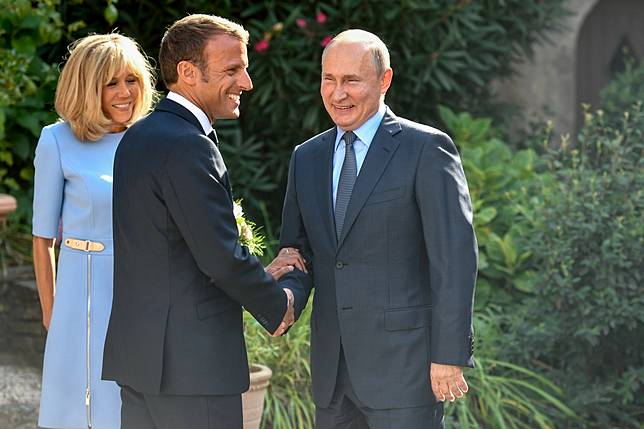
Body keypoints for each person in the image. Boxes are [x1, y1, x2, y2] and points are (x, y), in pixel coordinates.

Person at [102, 14, 306, 429]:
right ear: (188, 72)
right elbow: (218, 257)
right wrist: (276, 304)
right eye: (232, 70)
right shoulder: (189, 145)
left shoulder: (137, 137)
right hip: (193, 371)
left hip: (142, 361)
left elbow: (171, 251)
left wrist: (261, 273)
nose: (246, 82)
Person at [279, 29, 478, 428]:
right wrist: (284, 301)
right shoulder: (307, 157)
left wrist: (448, 354)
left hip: (405, 371)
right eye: (329, 80)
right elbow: (298, 253)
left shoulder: (426, 149)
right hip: (333, 374)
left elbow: (454, 259)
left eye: (351, 80)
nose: (338, 94)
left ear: (384, 80)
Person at [32, 33, 156, 429]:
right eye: (110, 83)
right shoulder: (57, 140)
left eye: (131, 80)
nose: (125, 92)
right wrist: (52, 313)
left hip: (144, 288)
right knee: (78, 406)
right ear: (87, 87)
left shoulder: (153, 138)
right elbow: (42, 238)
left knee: (134, 404)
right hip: (82, 289)